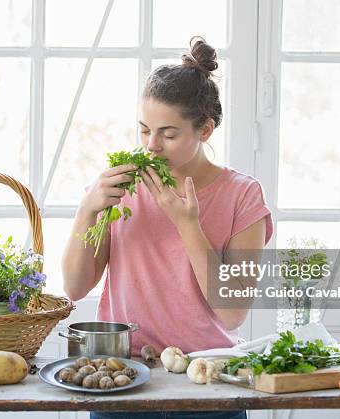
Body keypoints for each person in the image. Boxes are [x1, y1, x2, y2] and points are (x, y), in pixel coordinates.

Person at [62, 36, 273, 419]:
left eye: (168, 134)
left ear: (205, 130)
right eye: (144, 130)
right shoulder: (120, 186)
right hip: (121, 377)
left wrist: (187, 225)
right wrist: (86, 209)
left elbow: (233, 313)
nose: (151, 146)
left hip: (208, 382)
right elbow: (75, 287)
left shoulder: (243, 195)